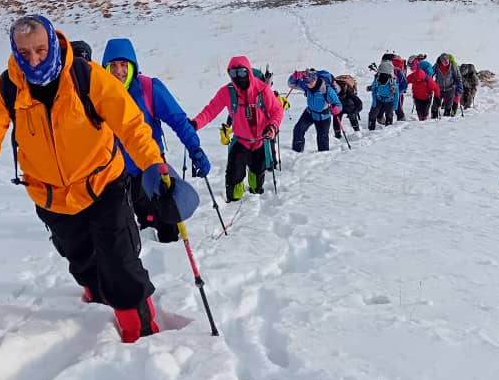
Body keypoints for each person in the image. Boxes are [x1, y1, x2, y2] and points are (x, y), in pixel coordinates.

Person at [0, 15, 192, 344]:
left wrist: (154, 166)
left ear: (53, 43)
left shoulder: (87, 76)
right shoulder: (6, 90)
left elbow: (132, 126)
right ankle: (97, 308)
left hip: (104, 186)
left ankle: (141, 337)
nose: (34, 59)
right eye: (25, 53)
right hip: (52, 198)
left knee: (121, 266)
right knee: (82, 264)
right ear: (15, 52)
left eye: (40, 49)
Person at [101, 38, 210, 243]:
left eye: (124, 65)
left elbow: (178, 120)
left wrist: (195, 148)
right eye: (113, 65)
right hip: (120, 172)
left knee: (166, 220)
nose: (118, 71)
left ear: (132, 66)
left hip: (152, 167)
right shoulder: (100, 95)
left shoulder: (149, 89)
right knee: (143, 223)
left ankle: (171, 252)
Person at [189, 56, 284, 202]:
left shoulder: (263, 90)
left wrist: (273, 126)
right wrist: (195, 124)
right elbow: (210, 111)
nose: (238, 77)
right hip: (240, 142)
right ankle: (233, 202)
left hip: (260, 142)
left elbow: (277, 110)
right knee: (234, 180)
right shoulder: (228, 92)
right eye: (233, 73)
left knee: (257, 179)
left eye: (241, 72)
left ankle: (255, 194)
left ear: (248, 72)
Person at [287, 69, 342, 152]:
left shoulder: (327, 90)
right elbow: (291, 84)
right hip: (309, 113)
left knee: (322, 139)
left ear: (315, 79)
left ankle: (323, 157)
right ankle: (296, 152)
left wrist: (337, 109)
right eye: (307, 82)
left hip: (323, 117)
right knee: (298, 130)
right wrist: (294, 77)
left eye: (310, 82)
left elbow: (339, 105)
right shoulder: (306, 85)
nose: (308, 84)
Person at [368, 60, 399, 129]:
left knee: (389, 114)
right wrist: (374, 102)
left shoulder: (392, 82)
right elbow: (374, 90)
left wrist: (395, 106)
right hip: (379, 99)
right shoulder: (377, 80)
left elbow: (396, 94)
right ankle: (371, 128)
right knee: (373, 113)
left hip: (389, 100)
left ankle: (388, 129)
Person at [432, 52, 463, 117]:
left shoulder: (453, 66)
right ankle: (433, 117)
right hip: (439, 88)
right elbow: (431, 73)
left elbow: (458, 77)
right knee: (435, 105)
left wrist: (457, 86)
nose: (446, 61)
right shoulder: (437, 65)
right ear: (441, 61)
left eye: (447, 59)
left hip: (450, 88)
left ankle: (446, 118)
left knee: (448, 105)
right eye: (444, 60)